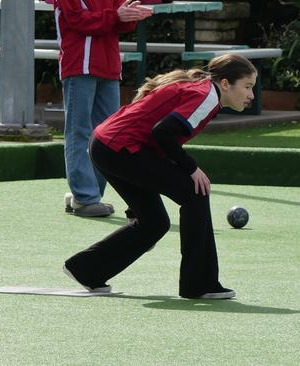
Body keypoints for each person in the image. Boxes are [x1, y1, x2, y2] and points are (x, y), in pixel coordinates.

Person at [62, 53, 258, 299]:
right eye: (247, 87)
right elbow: (163, 133)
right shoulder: (206, 96)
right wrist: (191, 167)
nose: (251, 95)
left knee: (154, 223)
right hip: (118, 147)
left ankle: (85, 269)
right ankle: (198, 284)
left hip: (108, 145)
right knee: (194, 192)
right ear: (226, 84)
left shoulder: (203, 92)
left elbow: (157, 139)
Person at [53, 0, 153, 217]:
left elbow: (118, 22)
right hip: (79, 65)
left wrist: (129, 16)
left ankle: (85, 195)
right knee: (78, 132)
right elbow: (79, 21)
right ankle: (85, 197)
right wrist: (117, 16)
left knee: (107, 136)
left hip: (109, 68)